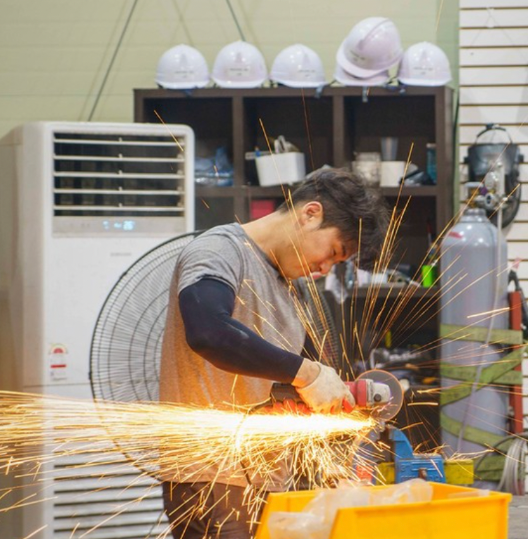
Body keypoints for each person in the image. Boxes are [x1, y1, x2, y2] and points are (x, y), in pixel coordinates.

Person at [159, 168, 389, 539]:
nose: (324, 268)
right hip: (212, 477)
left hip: (269, 481)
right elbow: (209, 332)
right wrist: (308, 374)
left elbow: (293, 384)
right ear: (310, 213)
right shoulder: (220, 251)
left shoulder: (292, 286)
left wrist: (333, 460)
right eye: (332, 252)